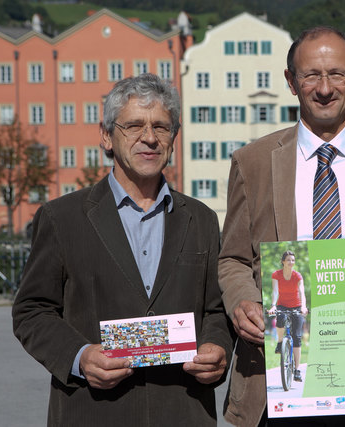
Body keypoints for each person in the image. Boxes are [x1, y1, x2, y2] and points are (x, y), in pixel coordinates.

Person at [218, 26, 345, 427]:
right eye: (311, 75)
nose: (325, 88)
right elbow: (233, 259)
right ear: (291, 82)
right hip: (278, 381)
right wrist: (241, 302)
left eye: (337, 74)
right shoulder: (252, 163)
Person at [12, 73, 233, 426]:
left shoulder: (202, 219)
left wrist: (218, 347)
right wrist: (80, 357)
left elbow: (216, 310)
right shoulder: (60, 218)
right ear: (107, 137)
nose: (149, 138)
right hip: (92, 411)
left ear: (174, 138)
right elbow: (32, 311)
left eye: (161, 127)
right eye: (133, 125)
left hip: (182, 410)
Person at [268, 250, 308, 382]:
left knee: (297, 338)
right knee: (280, 319)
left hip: (297, 306)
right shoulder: (276, 274)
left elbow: (302, 292)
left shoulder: (297, 276)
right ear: (283, 262)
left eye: (293, 260)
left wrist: (303, 307)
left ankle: (297, 370)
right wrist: (273, 305)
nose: (291, 262)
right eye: (289, 260)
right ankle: (280, 343)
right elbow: (275, 291)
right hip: (282, 305)